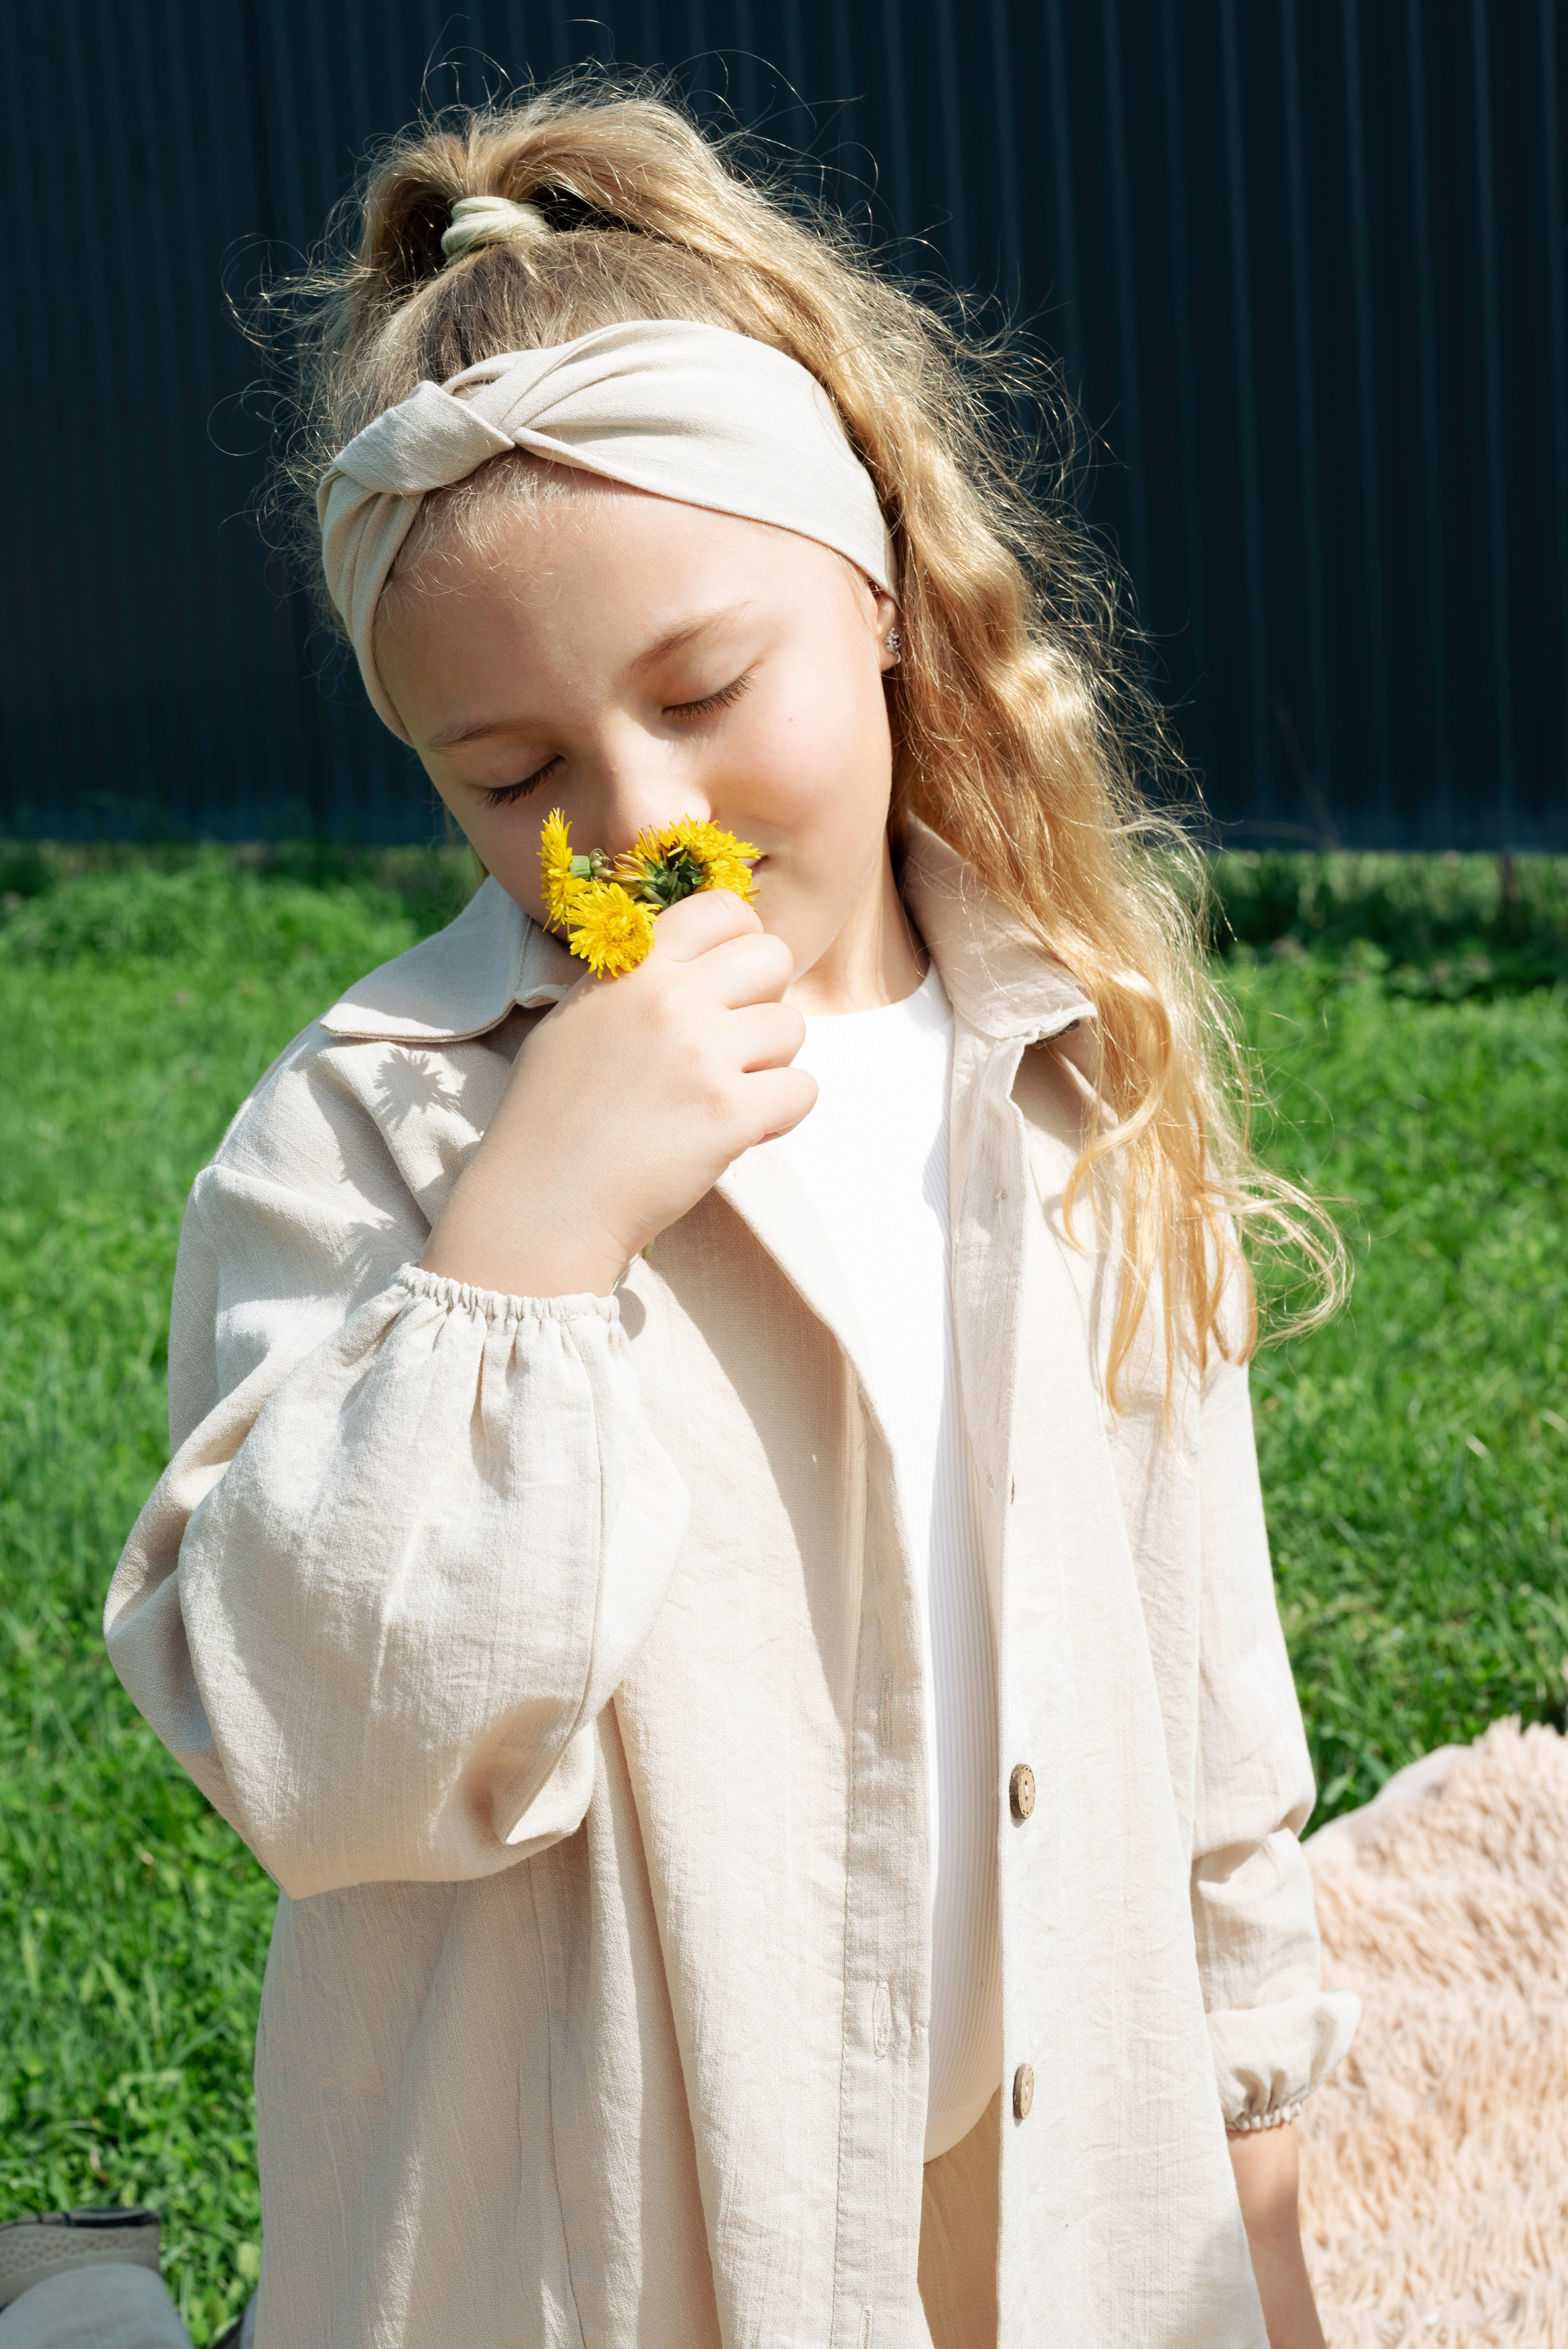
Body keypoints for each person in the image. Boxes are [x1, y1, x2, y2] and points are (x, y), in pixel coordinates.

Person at [106, 81, 1357, 2349]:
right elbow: (334, 1756)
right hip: (593, 2271)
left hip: (1042, 2229)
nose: (640, 819)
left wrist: (1252, 2217)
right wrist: (531, 1235)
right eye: (513, 778)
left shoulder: (1063, 1067)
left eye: (702, 689)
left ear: (875, 592)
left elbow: (1204, 1728)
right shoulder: (368, 1150)